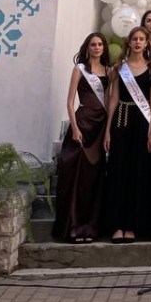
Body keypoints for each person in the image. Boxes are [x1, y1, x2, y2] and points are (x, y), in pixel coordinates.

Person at [53, 32, 109, 243]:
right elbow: (70, 102)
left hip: (100, 127)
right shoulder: (80, 69)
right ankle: (73, 228)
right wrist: (75, 128)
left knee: (93, 179)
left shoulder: (109, 70)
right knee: (75, 177)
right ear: (87, 47)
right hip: (82, 124)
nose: (97, 47)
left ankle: (90, 228)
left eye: (100, 44)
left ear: (104, 48)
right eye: (93, 44)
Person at [103, 26, 151, 242]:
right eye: (134, 39)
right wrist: (107, 130)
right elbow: (114, 99)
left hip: (142, 123)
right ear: (129, 42)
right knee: (119, 171)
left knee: (137, 172)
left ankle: (132, 225)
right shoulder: (120, 68)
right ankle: (117, 225)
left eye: (141, 39)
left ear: (146, 43)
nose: (137, 42)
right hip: (121, 121)